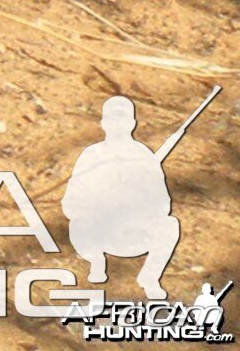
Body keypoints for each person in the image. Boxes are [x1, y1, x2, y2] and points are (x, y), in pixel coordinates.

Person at [62, 96, 185, 300]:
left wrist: (138, 204)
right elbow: (71, 201)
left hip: (136, 233)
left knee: (170, 225)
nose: (117, 125)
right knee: (77, 223)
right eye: (112, 120)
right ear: (103, 123)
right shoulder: (92, 155)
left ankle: (150, 277)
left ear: (132, 124)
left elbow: (163, 204)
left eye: (123, 119)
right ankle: (96, 261)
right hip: (98, 233)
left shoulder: (143, 156)